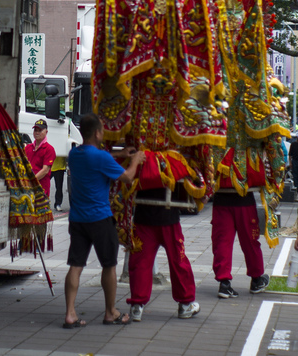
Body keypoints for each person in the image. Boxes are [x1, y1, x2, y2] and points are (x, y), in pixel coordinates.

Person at [63, 114, 146, 328]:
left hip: (78, 220)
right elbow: (127, 177)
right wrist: (135, 160)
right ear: (98, 132)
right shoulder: (101, 158)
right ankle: (111, 312)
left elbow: (98, 156)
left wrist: (119, 153)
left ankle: (70, 314)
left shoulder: (74, 155)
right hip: (100, 219)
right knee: (109, 265)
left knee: (75, 265)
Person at [126, 188, 200, 321]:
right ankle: (185, 304)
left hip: (144, 217)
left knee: (140, 262)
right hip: (168, 218)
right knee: (178, 260)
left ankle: (136, 305)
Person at [211, 188, 270, 298]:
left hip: (221, 199)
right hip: (244, 199)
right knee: (250, 242)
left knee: (222, 242)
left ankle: (224, 283)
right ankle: (256, 280)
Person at [25, 119, 56, 200]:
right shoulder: (28, 148)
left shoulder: (49, 149)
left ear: (46, 132)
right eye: (35, 130)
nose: (37, 132)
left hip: (41, 188)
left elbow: (45, 170)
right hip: (27, 188)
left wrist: (31, 181)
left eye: (40, 130)